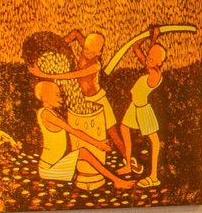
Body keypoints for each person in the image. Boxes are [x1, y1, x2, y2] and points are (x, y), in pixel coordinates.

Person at [34, 80, 132, 190]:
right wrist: (97, 143)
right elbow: (73, 130)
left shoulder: (48, 112)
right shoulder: (47, 115)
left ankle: (113, 179)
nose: (61, 98)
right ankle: (116, 180)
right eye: (57, 95)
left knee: (82, 153)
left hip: (53, 164)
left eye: (60, 95)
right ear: (46, 97)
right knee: (83, 152)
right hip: (49, 168)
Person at [122, 38, 168, 188]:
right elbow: (137, 48)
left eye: (153, 58)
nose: (149, 58)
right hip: (134, 107)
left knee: (154, 141)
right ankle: (128, 164)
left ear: (159, 63)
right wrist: (149, 37)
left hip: (143, 109)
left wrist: (151, 39)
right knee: (124, 128)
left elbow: (138, 51)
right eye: (149, 54)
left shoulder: (155, 73)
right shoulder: (151, 66)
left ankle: (153, 176)